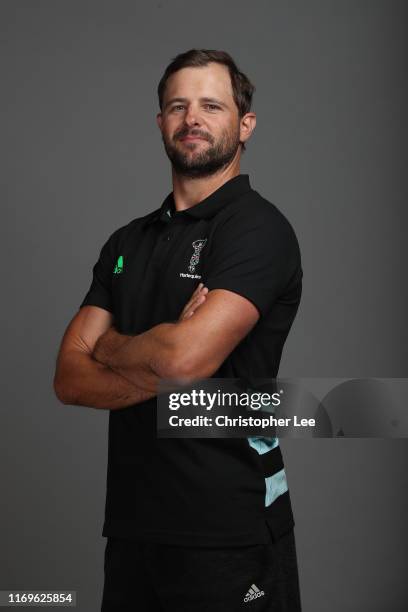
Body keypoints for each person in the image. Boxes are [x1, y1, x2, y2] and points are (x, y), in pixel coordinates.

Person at [54, 48, 303, 612]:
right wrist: (161, 358)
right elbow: (69, 377)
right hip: (133, 530)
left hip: (229, 528)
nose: (192, 118)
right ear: (161, 122)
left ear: (244, 125)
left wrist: (110, 347)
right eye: (177, 106)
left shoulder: (258, 230)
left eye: (211, 105)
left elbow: (184, 362)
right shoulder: (127, 242)